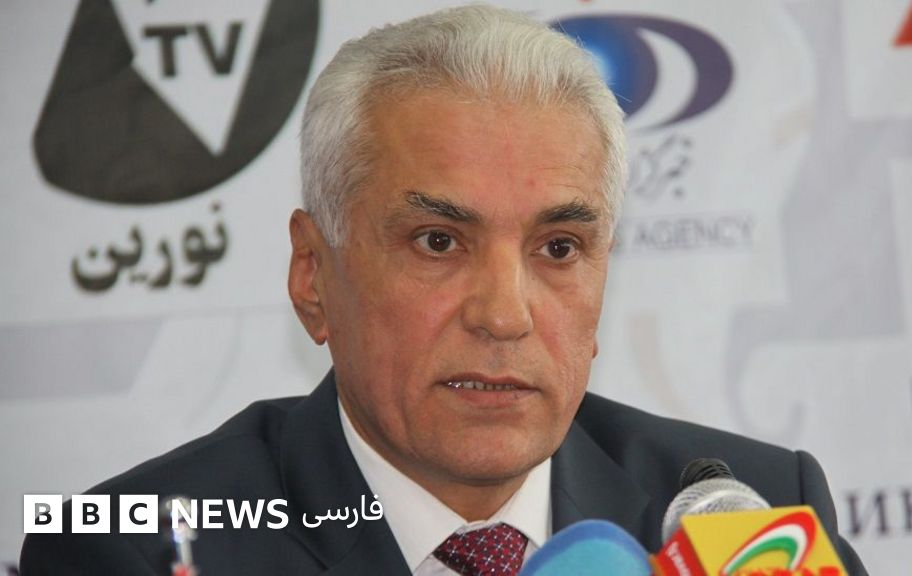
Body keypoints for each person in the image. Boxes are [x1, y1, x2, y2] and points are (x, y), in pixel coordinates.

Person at [21, 5, 866, 575]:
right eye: (438, 242)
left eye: (559, 247)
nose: (504, 315)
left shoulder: (747, 518)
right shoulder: (137, 550)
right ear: (313, 275)